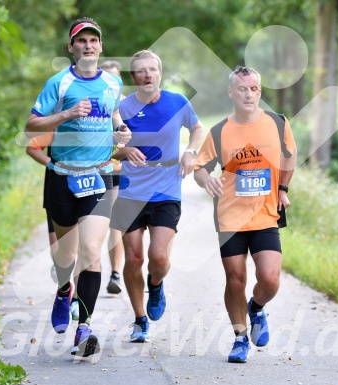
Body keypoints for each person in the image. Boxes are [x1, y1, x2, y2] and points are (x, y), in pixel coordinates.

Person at [24, 17, 131, 358]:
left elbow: (116, 119)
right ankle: (62, 290)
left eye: (93, 40)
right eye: (81, 41)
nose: (88, 45)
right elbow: (30, 127)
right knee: (66, 257)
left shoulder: (113, 84)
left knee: (90, 252)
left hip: (97, 176)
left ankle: (84, 327)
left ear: (100, 46)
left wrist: (122, 132)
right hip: (61, 176)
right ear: (71, 47)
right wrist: (66, 115)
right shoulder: (59, 82)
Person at [193, 66, 296, 363]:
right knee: (235, 278)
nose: (248, 94)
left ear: (260, 92)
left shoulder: (277, 124)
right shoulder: (220, 131)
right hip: (230, 217)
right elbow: (200, 168)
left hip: (265, 214)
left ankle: (257, 307)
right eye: (242, 89)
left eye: (253, 89)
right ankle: (240, 339)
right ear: (231, 93)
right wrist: (206, 179)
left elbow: (290, 157)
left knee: (270, 279)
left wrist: (283, 188)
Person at [110, 50, 204, 343]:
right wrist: (123, 150)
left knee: (158, 257)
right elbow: (106, 150)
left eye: (152, 69)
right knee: (134, 257)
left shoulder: (177, 102)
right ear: (134, 77)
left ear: (160, 73)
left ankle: (157, 282)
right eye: (141, 70)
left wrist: (190, 152)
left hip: (166, 188)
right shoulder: (122, 108)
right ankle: (139, 319)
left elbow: (198, 129)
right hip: (130, 190)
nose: (147, 74)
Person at [25, 131, 81, 321]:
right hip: (57, 190)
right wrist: (52, 164)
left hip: (88, 190)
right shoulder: (59, 124)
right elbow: (32, 148)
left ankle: (77, 299)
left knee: (84, 248)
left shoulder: (98, 120)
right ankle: (64, 285)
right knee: (59, 250)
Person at [99, 60, 125, 294]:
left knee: (115, 223)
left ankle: (115, 274)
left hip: (117, 171)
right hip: (92, 170)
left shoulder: (126, 104)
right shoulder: (92, 99)